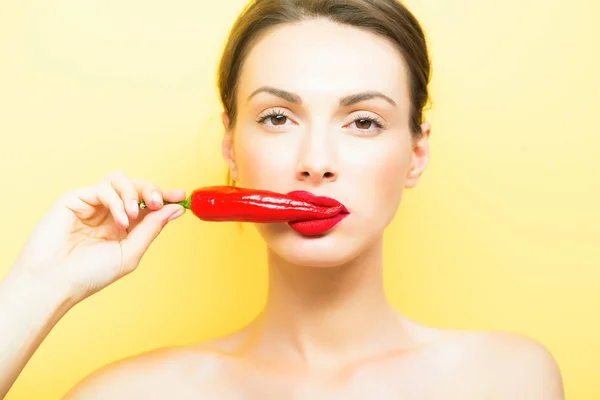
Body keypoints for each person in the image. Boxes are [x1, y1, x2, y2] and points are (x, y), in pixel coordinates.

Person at [0, 0, 564, 398]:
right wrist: (37, 287)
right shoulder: (130, 395)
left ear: (416, 153)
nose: (315, 161)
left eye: (363, 121)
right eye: (277, 117)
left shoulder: (509, 379)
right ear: (231, 146)